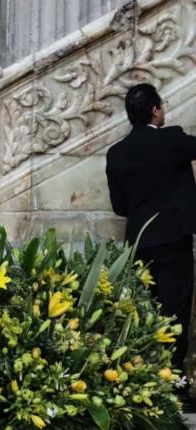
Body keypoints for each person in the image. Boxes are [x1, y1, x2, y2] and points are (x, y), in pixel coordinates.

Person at [106, 83, 196, 372]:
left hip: (139, 242)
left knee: (143, 311)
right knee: (175, 310)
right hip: (173, 241)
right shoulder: (172, 139)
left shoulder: (116, 152)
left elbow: (120, 206)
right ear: (156, 110)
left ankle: (145, 379)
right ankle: (174, 381)